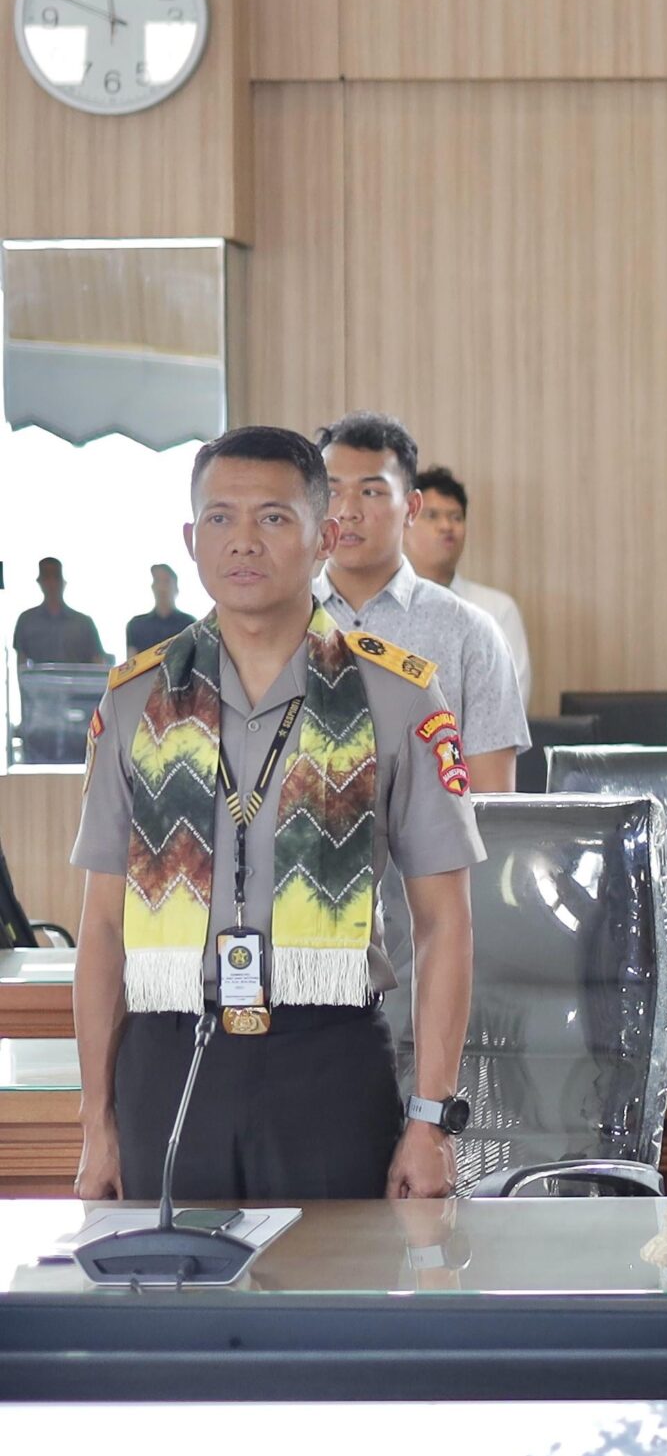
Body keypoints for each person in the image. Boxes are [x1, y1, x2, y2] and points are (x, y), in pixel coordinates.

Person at [69, 426, 480, 1203]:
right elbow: (102, 928)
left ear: (324, 538)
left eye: (273, 517)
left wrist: (431, 1120)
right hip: (170, 1058)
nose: (243, 541)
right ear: (191, 539)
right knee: (171, 1280)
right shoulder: (134, 702)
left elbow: (444, 921)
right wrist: (97, 1121)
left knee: (337, 1283)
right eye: (220, 518)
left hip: (326, 1059)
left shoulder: (396, 696)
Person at [314, 413, 530, 795]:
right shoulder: (279, 621)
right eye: (332, 491)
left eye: (370, 492)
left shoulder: (472, 632)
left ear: (411, 508)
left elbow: (493, 802)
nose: (347, 510)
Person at [405, 466, 533, 709]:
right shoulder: (383, 606)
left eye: (456, 517)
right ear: (405, 524)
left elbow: (511, 702)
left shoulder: (497, 609)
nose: (446, 526)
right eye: (432, 516)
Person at [13, 557, 108, 669]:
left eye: (56, 577)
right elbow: (22, 665)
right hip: (38, 681)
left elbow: (98, 663)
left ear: (63, 582)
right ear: (40, 582)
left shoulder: (84, 623)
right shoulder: (26, 621)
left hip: (78, 681)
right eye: (47, 577)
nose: (52, 582)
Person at [124, 563, 197, 655]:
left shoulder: (189, 624)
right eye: (157, 581)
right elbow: (132, 661)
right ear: (152, 587)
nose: (161, 587)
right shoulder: (136, 625)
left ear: (176, 588)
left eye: (166, 581)